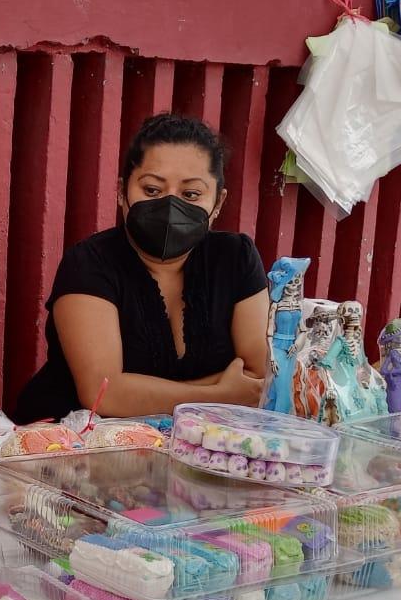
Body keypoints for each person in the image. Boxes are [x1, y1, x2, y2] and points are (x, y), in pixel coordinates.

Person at [15, 115, 270, 421]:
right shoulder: (89, 264)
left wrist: (146, 395)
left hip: (198, 451)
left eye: (191, 194)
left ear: (218, 202)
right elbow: (105, 394)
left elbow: (257, 378)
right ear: (123, 192)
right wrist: (220, 396)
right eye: (152, 190)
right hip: (73, 447)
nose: (170, 206)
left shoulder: (236, 258)